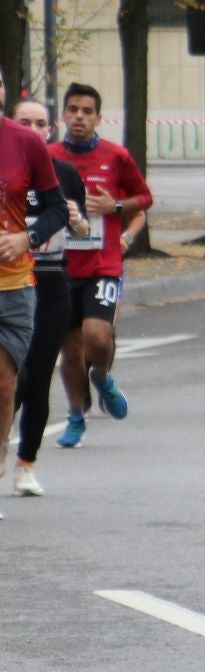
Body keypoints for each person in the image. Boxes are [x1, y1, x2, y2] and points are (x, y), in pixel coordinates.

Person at [52, 83, 149, 449]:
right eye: (73, 109)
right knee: (70, 350)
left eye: (87, 111)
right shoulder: (47, 155)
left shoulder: (116, 156)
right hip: (59, 267)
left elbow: (145, 198)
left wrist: (116, 208)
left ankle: (104, 377)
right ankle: (76, 415)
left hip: (102, 264)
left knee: (96, 336)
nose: (79, 116)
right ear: (63, 114)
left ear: (98, 118)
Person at [2, 111, 71, 507]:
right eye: (26, 121)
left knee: (22, 379)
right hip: (22, 282)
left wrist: (27, 237)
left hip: (30, 284)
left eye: (39, 123)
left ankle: (21, 461)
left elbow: (60, 211)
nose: (33, 129)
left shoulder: (38, 156)